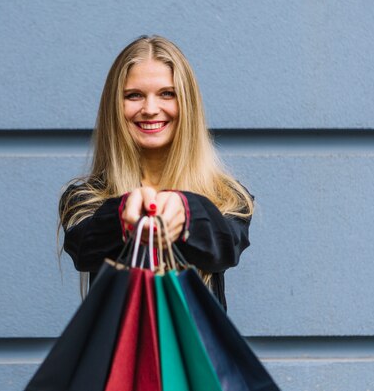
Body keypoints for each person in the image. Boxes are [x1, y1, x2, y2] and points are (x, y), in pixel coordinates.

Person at [58, 35, 254, 310]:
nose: (150, 109)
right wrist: (124, 216)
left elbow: (225, 246)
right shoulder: (85, 198)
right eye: (134, 95)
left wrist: (186, 213)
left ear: (187, 103)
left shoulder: (228, 196)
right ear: (115, 106)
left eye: (167, 93)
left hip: (195, 353)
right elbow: (85, 249)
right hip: (118, 353)